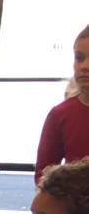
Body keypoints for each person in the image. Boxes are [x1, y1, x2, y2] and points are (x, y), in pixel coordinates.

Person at [35, 24, 89, 182]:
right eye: (79, 58)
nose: (85, 66)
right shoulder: (60, 114)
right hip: (75, 205)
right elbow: (44, 177)